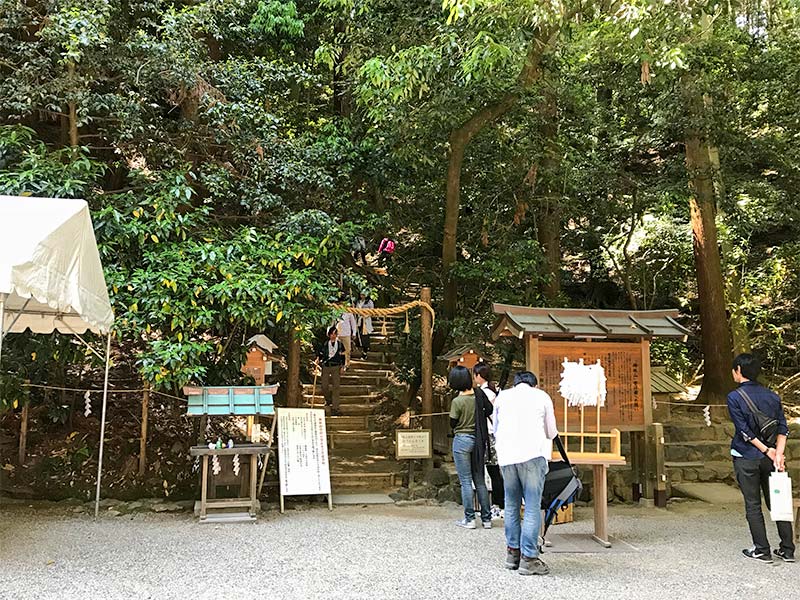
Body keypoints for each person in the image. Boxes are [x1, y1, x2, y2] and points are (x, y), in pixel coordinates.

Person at [727, 353, 795, 563]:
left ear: (738, 370)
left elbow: (744, 432)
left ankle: (762, 549)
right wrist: (778, 453)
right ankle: (787, 549)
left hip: (747, 456)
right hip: (773, 458)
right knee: (778, 502)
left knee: (753, 504)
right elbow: (783, 427)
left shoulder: (735, 397)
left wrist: (767, 450)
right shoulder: (772, 396)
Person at [493, 371, 557, 576]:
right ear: (534, 384)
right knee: (531, 506)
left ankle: (512, 554)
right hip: (532, 456)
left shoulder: (502, 397)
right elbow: (551, 432)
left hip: (507, 457)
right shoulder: (542, 397)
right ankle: (529, 558)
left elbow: (495, 428)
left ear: (515, 383)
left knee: (511, 504)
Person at [449, 365, 493, 530]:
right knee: (479, 480)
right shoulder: (478, 395)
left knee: (466, 481)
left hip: (462, 440)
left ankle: (470, 519)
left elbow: (452, 422)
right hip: (479, 440)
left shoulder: (457, 401)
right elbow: (490, 409)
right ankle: (487, 519)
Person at [474, 363, 503, 519]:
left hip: (490, 434)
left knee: (494, 471)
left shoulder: (485, 393)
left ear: (479, 375)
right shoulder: (493, 391)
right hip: (493, 434)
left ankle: (499, 505)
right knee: (494, 471)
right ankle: (497, 505)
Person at [315, 326, 345, 416]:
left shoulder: (340, 344)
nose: (333, 336)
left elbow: (343, 356)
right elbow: (320, 354)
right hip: (326, 366)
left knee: (336, 386)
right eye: (331, 334)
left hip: (336, 366)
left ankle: (335, 407)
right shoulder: (325, 344)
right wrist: (317, 360)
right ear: (329, 335)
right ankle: (328, 400)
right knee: (324, 385)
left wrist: (343, 366)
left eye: (335, 334)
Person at [355, 292, 374, 359]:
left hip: (366, 321)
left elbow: (372, 311)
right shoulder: (358, 302)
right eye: (361, 295)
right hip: (359, 321)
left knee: (365, 337)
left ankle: (365, 352)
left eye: (363, 295)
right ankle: (361, 351)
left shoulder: (369, 302)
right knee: (359, 336)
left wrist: (365, 315)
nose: (362, 296)